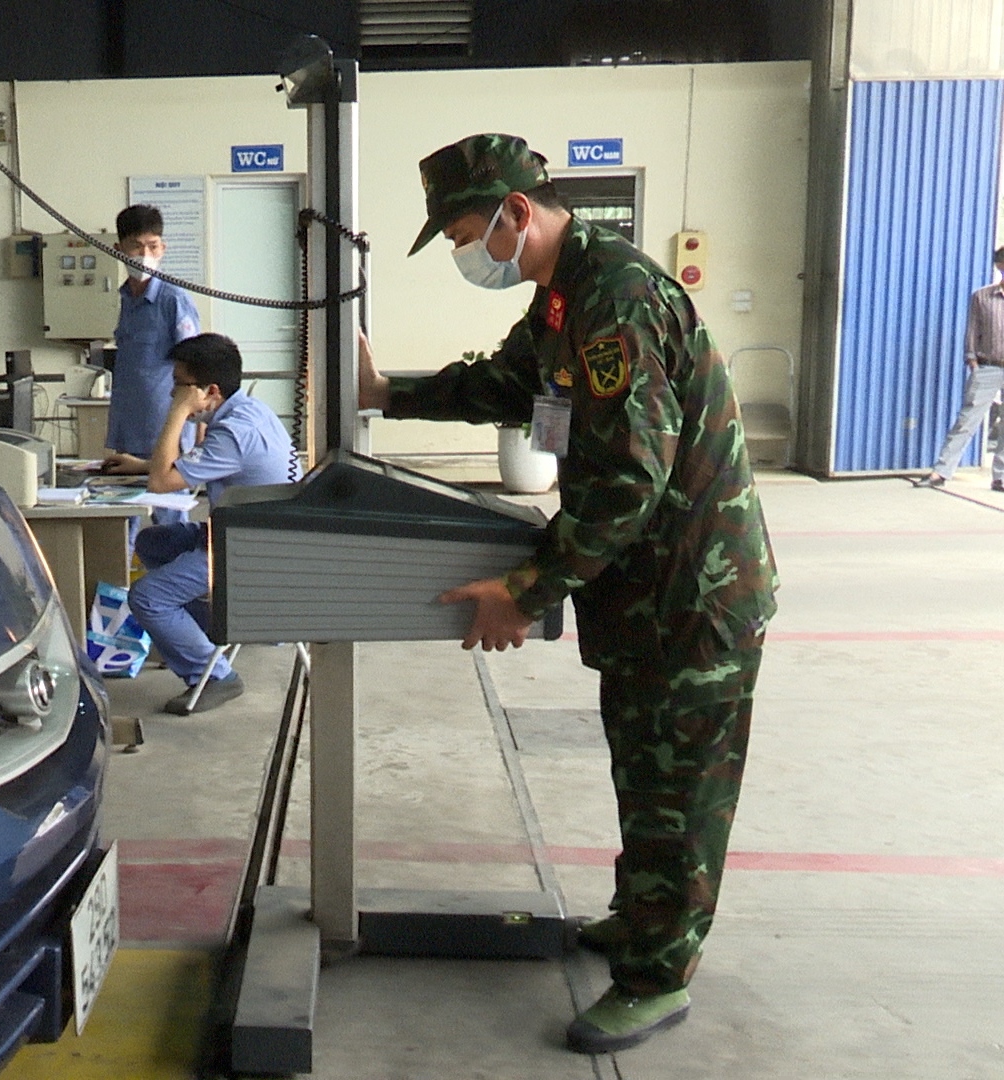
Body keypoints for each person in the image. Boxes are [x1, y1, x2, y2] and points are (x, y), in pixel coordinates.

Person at [357, 134, 777, 1054]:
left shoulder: (615, 298)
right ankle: (641, 919)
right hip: (641, 595)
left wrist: (526, 587)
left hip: (692, 594)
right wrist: (389, 394)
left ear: (516, 212)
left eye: (469, 232)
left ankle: (658, 977)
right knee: (645, 774)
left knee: (682, 794)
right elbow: (507, 384)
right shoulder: (560, 300)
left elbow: (632, 478)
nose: (470, 253)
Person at [102, 333, 293, 715]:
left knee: (147, 598)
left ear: (210, 391)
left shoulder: (235, 433)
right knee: (154, 542)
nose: (173, 392)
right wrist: (141, 465)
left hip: (252, 550)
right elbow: (187, 465)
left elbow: (162, 483)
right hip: (246, 533)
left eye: (179, 385)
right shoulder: (248, 412)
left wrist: (176, 412)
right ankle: (202, 631)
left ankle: (215, 674)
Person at [107, 205, 202, 459]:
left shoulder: (174, 299)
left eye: (152, 245)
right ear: (118, 250)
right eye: (136, 246)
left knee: (166, 496)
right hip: (129, 430)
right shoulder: (126, 298)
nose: (145, 254)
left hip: (165, 430)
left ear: (162, 248)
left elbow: (199, 368)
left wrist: (201, 437)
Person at [913, 246, 1004, 492]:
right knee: (966, 421)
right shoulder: (982, 297)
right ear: (999, 266)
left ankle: (1001, 478)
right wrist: (972, 360)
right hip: (988, 367)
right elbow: (972, 331)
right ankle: (940, 472)